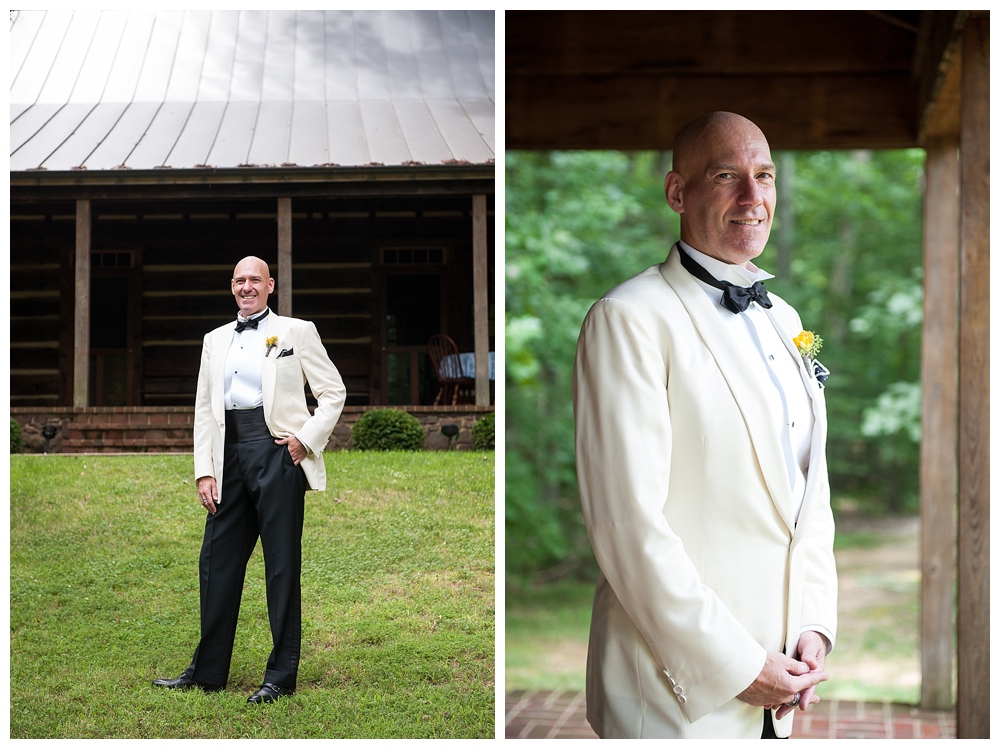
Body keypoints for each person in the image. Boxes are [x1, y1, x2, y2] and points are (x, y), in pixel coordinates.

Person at [573, 112, 837, 738]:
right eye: (727, 176)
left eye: (764, 176)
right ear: (677, 192)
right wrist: (738, 666)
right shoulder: (629, 318)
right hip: (673, 691)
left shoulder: (785, 317)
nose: (753, 197)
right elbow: (626, 526)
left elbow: (810, 493)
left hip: (783, 681)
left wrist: (813, 623)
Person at [153, 255, 346, 704]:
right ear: (232, 287)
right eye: (239, 280)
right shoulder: (214, 339)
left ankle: (279, 677)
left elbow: (333, 391)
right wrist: (204, 469)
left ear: (270, 285)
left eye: (254, 280)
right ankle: (207, 673)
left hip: (277, 454)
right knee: (216, 562)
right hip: (227, 457)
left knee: (281, 567)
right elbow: (205, 408)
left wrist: (305, 440)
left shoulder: (297, 331)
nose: (246, 287)